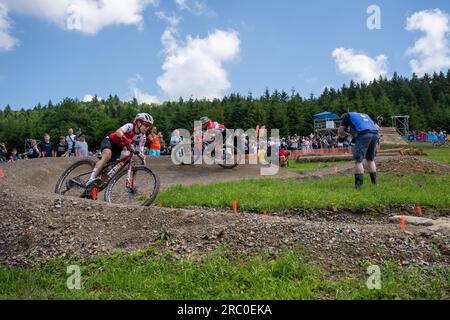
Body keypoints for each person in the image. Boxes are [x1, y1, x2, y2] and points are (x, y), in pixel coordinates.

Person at [85, 113, 153, 188]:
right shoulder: (130, 126)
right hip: (110, 141)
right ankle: (90, 179)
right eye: (146, 125)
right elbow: (118, 132)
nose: (147, 128)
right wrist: (126, 140)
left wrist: (142, 158)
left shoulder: (142, 137)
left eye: (149, 127)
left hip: (118, 148)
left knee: (111, 170)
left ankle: (93, 189)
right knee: (107, 156)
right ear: (138, 123)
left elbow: (141, 151)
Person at [338, 112, 379, 189]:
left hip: (364, 134)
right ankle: (375, 183)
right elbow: (376, 126)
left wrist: (346, 135)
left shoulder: (347, 116)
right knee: (370, 159)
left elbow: (340, 131)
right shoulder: (364, 115)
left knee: (358, 160)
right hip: (375, 133)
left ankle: (358, 185)